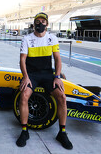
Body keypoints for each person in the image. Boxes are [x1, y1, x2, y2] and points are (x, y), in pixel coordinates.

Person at [16, 12, 73, 149]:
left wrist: (57, 77)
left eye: (43, 21)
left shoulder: (52, 38)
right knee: (24, 96)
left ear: (47, 24)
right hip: (32, 75)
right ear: (34, 23)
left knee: (62, 97)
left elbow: (58, 59)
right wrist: (25, 76)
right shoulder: (27, 39)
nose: (40, 23)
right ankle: (24, 131)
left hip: (48, 75)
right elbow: (22, 59)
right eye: (38, 21)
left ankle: (62, 133)